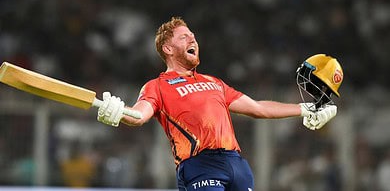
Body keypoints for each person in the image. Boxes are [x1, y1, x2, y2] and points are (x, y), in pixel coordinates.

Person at [96, 17, 338, 190]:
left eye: (193, 36)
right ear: (168, 48)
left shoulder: (215, 83)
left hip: (237, 165)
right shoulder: (157, 86)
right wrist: (119, 112)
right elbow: (139, 115)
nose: (193, 39)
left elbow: (258, 108)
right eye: (184, 37)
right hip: (201, 165)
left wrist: (304, 109)